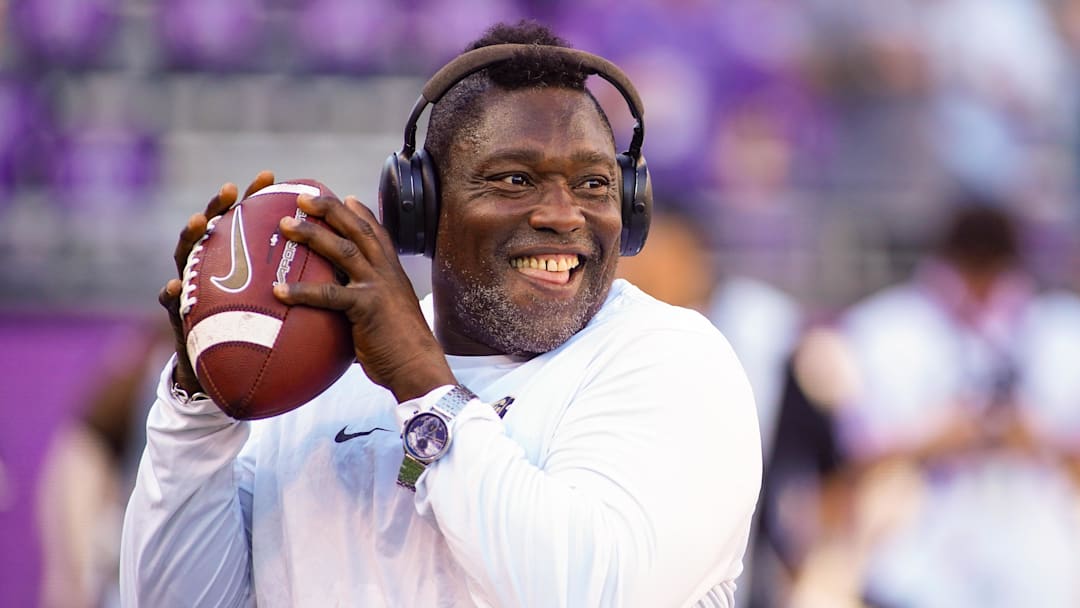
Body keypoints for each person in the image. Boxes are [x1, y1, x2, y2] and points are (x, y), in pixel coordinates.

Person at [120, 21, 762, 608]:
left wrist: (423, 387)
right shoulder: (321, 375)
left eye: (593, 184)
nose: (563, 214)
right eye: (515, 180)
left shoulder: (674, 361)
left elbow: (584, 592)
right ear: (420, 209)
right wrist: (199, 405)